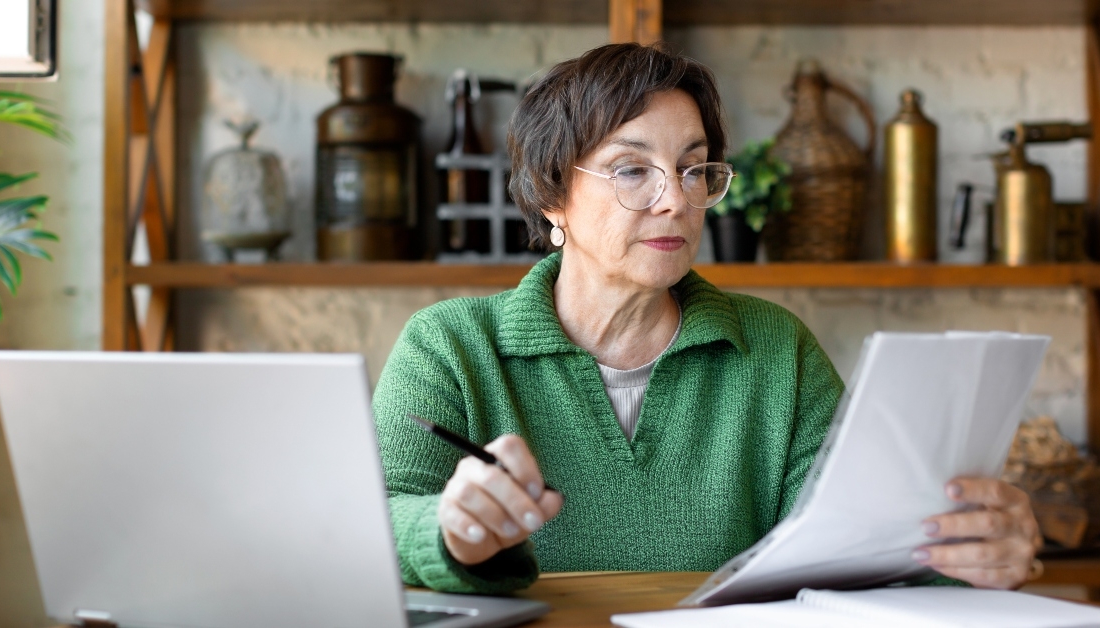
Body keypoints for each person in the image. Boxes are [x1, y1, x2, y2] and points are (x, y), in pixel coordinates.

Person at [371, 42, 1041, 595]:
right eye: (633, 169)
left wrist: (969, 559)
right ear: (552, 196)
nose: (676, 202)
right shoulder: (449, 345)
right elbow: (374, 523)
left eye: (693, 170)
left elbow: (861, 550)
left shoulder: (777, 349)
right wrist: (449, 528)